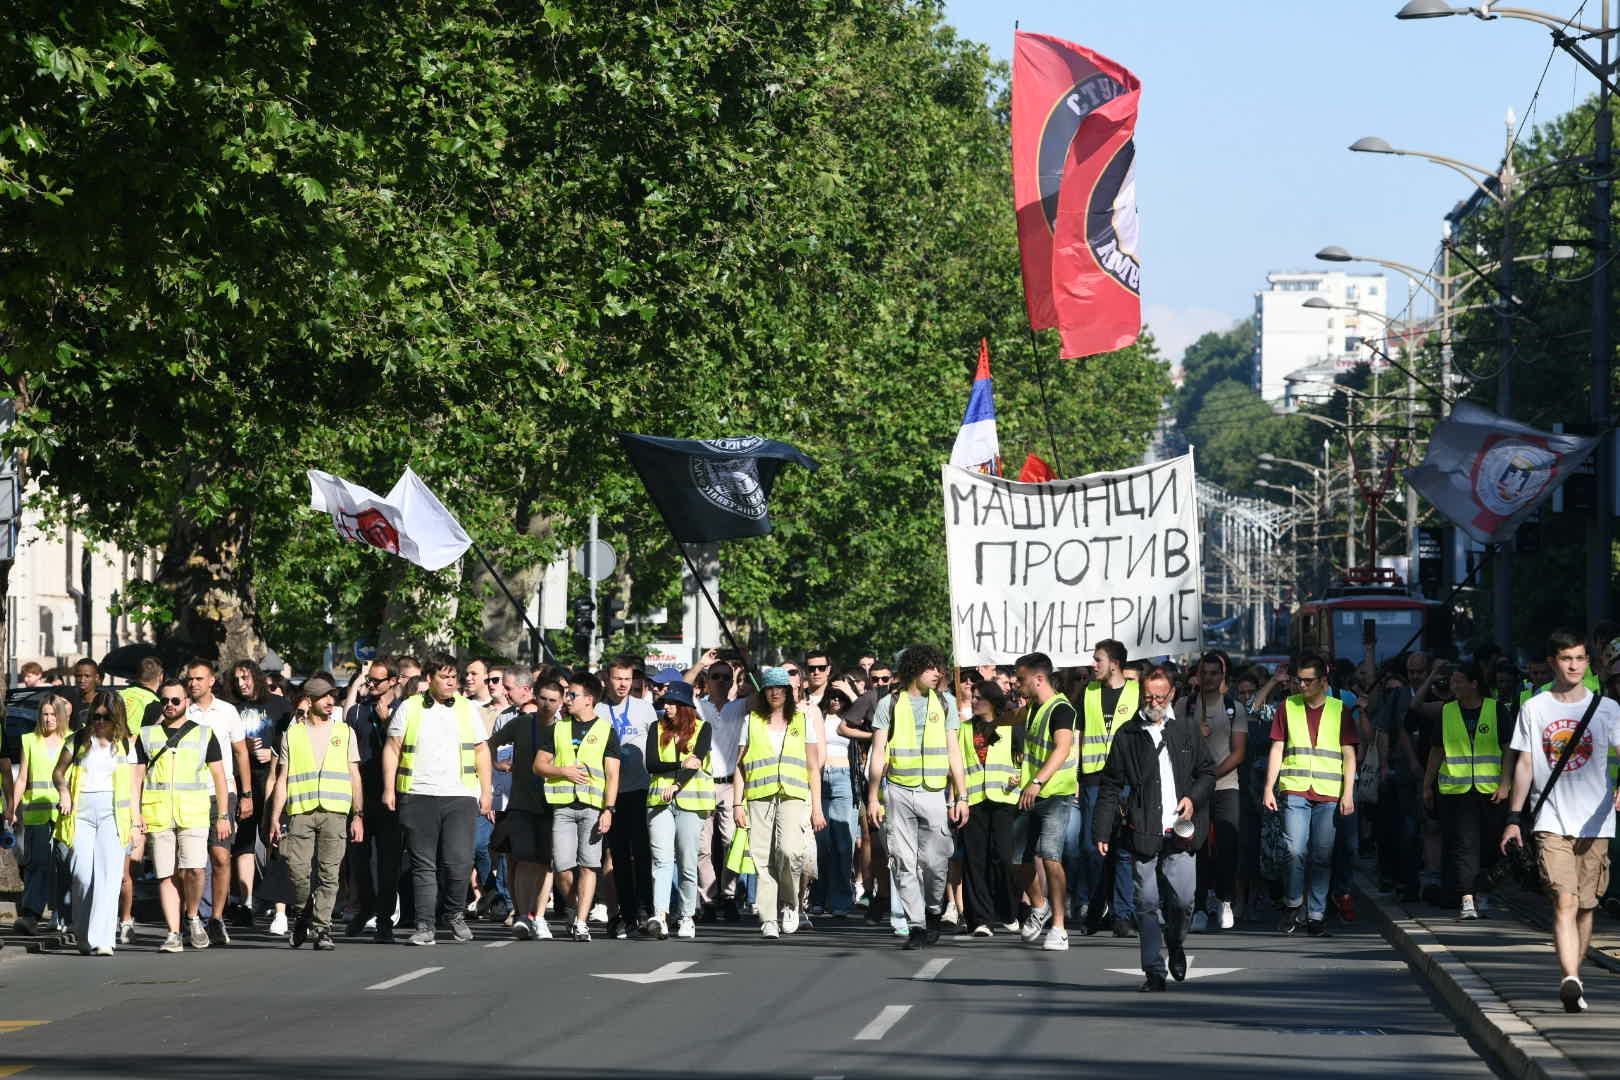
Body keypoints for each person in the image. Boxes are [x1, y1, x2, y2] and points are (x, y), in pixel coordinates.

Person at [1500, 629, 1620, 1013]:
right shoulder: (1535, 708)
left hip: (1596, 821)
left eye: (1580, 659)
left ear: (1588, 662)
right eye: (1566, 659)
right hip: (1550, 818)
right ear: (1553, 662)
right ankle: (1569, 976)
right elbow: (1524, 763)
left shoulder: (1608, 710)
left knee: (1587, 906)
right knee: (1564, 900)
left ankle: (1576, 977)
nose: (1574, 666)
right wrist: (1515, 818)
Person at [1095, 668, 1214, 990]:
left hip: (1180, 832)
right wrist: (1102, 831)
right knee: (1146, 902)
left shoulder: (1187, 730)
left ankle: (1175, 943)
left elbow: (1207, 772)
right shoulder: (1127, 734)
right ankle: (1153, 971)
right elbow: (1110, 785)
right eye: (1148, 697)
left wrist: (1192, 797)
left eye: (1160, 697)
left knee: (1183, 901)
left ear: (1172, 694)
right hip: (1142, 829)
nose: (1154, 702)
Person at [382, 653, 494, 946]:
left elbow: (481, 750)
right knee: (424, 865)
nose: (450, 682)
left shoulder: (467, 709)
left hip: (460, 796)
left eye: (453, 677)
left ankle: (454, 914)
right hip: (418, 795)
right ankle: (424, 925)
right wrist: (389, 789)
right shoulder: (410, 707)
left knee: (459, 862)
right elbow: (392, 748)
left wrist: (486, 791)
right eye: (444, 677)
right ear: (429, 679)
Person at [867, 645, 967, 949]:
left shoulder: (947, 703)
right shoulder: (889, 704)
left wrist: (962, 796)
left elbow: (954, 752)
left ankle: (934, 909)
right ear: (913, 669)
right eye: (930, 667)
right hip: (898, 791)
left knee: (936, 861)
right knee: (902, 861)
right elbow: (878, 752)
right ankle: (917, 926)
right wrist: (873, 797)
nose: (937, 673)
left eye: (939, 667)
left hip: (935, 792)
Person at [132, 679, 231, 952]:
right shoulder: (147, 735)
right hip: (158, 813)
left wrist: (223, 814)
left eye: (176, 700)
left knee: (195, 870)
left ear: (186, 702)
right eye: (165, 701)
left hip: (194, 812)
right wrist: (135, 814)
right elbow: (136, 778)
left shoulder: (204, 734)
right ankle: (173, 933)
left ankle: (192, 916)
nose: (170, 706)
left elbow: (219, 777)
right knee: (166, 874)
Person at [1262, 653, 1357, 936]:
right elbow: (1277, 748)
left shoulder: (1340, 710)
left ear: (1323, 682)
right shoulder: (1286, 707)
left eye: (1307, 681)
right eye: (1297, 681)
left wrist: (1348, 793)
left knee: (1322, 855)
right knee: (1294, 850)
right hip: (1294, 788)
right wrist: (1270, 786)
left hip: (1329, 793)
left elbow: (1349, 755)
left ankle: (1316, 915)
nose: (1301, 686)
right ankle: (1293, 904)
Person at [268, 680, 363, 950]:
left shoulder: (344, 732)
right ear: (309, 701)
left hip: (335, 811)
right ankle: (303, 910)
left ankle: (322, 929)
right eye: (323, 697)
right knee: (297, 871)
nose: (330, 701)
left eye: (332, 696)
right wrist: (275, 817)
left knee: (329, 874)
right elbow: (282, 779)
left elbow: (354, 775)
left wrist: (358, 814)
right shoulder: (293, 734)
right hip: (300, 810)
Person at [735, 666, 824, 938]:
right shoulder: (751, 720)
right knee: (763, 858)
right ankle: (768, 917)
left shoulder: (801, 720)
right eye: (770, 688)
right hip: (759, 796)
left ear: (788, 691)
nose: (774, 693)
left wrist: (817, 808)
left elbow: (812, 767)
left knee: (789, 851)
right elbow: (740, 766)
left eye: (780, 688)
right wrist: (737, 803)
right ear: (763, 692)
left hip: (794, 795)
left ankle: (790, 902)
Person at [536, 670, 621, 942]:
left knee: (588, 865)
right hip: (562, 807)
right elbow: (539, 765)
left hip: (592, 808)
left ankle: (582, 922)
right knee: (562, 867)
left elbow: (612, 774)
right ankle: (574, 907)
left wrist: (609, 809)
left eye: (572, 695)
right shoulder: (559, 727)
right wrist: (564, 771)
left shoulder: (605, 730)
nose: (567, 699)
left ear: (589, 699)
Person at [1420, 660, 1507, 919]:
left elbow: (1509, 748)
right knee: (1464, 845)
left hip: (1490, 789)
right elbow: (1436, 751)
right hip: (1455, 791)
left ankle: (1482, 890)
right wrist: (1427, 785)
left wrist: (1506, 782)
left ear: (1474, 683)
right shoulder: (1447, 712)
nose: (1454, 686)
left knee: (1490, 845)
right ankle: (1467, 897)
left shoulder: (1497, 709)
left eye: (1459, 681)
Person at [51, 691, 136, 955]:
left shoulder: (127, 744)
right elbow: (58, 772)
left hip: (113, 815)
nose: (99, 721)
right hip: (81, 814)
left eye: (105, 717)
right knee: (82, 875)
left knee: (110, 877)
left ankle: (104, 940)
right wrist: (63, 791)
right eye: (95, 716)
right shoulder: (78, 739)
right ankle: (83, 932)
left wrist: (136, 821)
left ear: (116, 717)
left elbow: (134, 786)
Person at [1178, 652, 1247, 932]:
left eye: (1214, 674)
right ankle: (1200, 905)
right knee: (1197, 847)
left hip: (1226, 786)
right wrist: (1194, 734)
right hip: (1194, 790)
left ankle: (1224, 899)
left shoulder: (1234, 708)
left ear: (1222, 677)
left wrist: (1210, 776)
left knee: (1228, 846)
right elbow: (1174, 742)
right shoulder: (1185, 706)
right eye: (1203, 673)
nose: (1208, 679)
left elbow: (1238, 752)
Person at [185, 658, 251, 946]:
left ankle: (217, 917)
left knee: (221, 856)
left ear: (211, 681)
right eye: (190, 679)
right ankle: (195, 916)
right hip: (189, 794)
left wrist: (247, 794)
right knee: (193, 862)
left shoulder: (227, 712)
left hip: (222, 792)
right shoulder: (181, 711)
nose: (193, 683)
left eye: (199, 678)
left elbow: (240, 752)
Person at [1079, 640, 1140, 937]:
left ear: (1114, 663)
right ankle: (1097, 907)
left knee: (1124, 849)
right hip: (1093, 779)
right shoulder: (1088, 692)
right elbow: (1079, 736)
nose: (1093, 664)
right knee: (1094, 849)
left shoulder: (1137, 692)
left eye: (1098, 659)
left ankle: (1122, 914)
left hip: (1127, 780)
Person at [644, 680, 714, 939]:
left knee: (687, 861)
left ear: (686, 706)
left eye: (673, 703)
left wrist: (675, 783)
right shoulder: (656, 727)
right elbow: (651, 763)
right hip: (658, 802)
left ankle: (686, 916)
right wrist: (679, 763)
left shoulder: (703, 729)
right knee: (661, 860)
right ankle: (660, 915)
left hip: (691, 803)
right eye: (666, 702)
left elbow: (696, 763)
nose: (668, 707)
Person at [228, 659, 293, 933]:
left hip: (273, 782)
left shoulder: (279, 706)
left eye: (246, 678)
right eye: (237, 680)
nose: (242, 684)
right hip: (244, 784)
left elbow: (292, 739)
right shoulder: (232, 710)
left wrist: (272, 752)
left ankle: (281, 910)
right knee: (242, 843)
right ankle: (247, 901)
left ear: (256, 676)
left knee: (275, 842)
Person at [490, 682, 558, 940]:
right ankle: (521, 915)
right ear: (535, 697)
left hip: (552, 804)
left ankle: (538, 917)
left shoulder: (562, 728)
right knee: (524, 861)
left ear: (560, 702)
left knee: (546, 863)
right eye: (542, 698)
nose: (546, 704)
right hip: (521, 802)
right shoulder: (521, 724)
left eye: (552, 699)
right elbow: (491, 743)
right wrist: (498, 764)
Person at [345, 658, 406, 940]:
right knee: (358, 860)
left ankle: (384, 919)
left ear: (393, 681)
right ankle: (366, 905)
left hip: (391, 795)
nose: (370, 685)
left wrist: (386, 723)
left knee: (388, 863)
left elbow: (402, 750)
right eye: (368, 680)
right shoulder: (357, 712)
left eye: (376, 681)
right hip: (361, 794)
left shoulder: (402, 712)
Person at [598, 656, 657, 939]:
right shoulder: (596, 710)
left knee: (643, 853)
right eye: (617, 678)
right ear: (607, 679)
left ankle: (647, 909)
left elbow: (658, 748)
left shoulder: (645, 709)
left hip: (641, 789)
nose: (622, 684)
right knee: (618, 856)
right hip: (611, 794)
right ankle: (628, 913)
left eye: (627, 678)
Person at [959, 680, 1023, 935]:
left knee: (1005, 858)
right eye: (972, 697)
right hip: (973, 801)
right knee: (975, 861)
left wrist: (1020, 775)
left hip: (1005, 799)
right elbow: (957, 766)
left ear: (992, 701)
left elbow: (1025, 758)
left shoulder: (1011, 724)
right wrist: (957, 799)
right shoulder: (963, 729)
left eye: (978, 698)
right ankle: (980, 919)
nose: (973, 701)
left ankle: (1008, 911)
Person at [8, 695, 70, 935]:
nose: (48, 719)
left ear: (61, 716)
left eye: (53, 714)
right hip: (37, 814)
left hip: (64, 813)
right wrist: (13, 807)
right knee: (38, 865)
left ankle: (65, 914)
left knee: (65, 865)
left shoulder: (71, 739)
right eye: (44, 714)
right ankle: (30, 916)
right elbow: (23, 777)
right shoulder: (30, 741)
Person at [696, 661, 741, 923]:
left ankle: (729, 895)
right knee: (702, 847)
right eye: (716, 677)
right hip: (702, 783)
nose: (722, 681)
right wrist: (700, 664)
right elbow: (679, 686)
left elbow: (761, 696)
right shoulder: (699, 706)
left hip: (731, 783)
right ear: (707, 681)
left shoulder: (739, 707)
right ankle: (709, 898)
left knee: (731, 843)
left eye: (726, 677)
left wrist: (746, 661)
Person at [812, 686, 858, 917]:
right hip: (819, 778)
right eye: (832, 696)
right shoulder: (817, 716)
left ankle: (841, 901)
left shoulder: (854, 719)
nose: (835, 700)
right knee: (821, 845)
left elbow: (871, 713)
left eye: (840, 697)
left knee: (843, 845)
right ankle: (818, 898)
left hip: (844, 778)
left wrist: (850, 691)